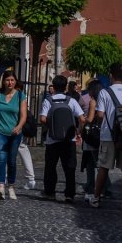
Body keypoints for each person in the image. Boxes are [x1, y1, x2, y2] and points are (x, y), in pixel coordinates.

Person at [90, 62, 122, 211]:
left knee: (104, 167)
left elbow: (100, 114)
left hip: (108, 135)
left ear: (111, 76)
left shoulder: (105, 93)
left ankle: (96, 198)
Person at [0, 69, 28, 201]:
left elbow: (23, 115)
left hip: (15, 132)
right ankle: (1, 187)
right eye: (7, 80)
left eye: (12, 80)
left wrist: (19, 127)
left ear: (15, 81)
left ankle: (11, 186)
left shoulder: (20, 96)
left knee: (12, 161)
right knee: (1, 158)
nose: (10, 82)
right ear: (4, 81)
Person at [40, 74, 86, 203]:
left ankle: (50, 192)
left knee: (50, 166)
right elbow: (82, 119)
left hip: (52, 140)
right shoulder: (71, 101)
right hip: (68, 139)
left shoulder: (48, 100)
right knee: (69, 168)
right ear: (65, 87)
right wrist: (78, 132)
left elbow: (42, 118)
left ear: (53, 87)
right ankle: (69, 194)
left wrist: (51, 126)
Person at [79, 79, 111, 201]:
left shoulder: (93, 101)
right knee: (96, 162)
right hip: (102, 134)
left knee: (96, 162)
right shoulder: (105, 100)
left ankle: (106, 188)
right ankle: (93, 186)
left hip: (92, 135)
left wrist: (82, 119)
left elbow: (91, 118)